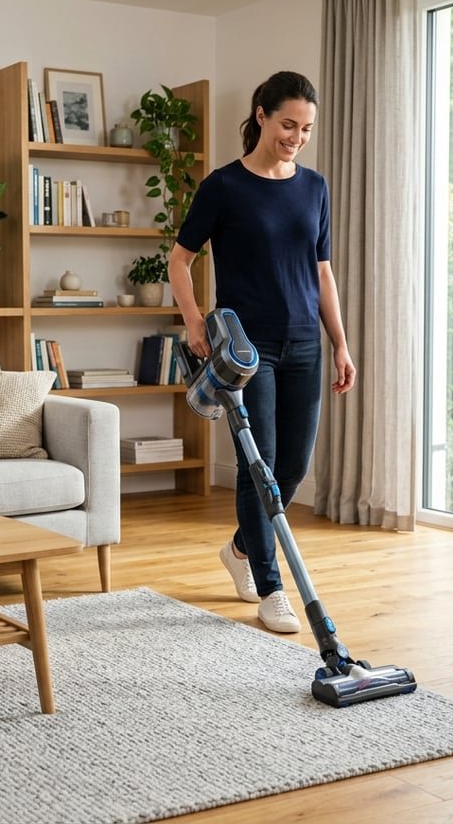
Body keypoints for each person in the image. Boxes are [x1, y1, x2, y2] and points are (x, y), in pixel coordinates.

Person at [168, 71, 355, 634]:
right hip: (247, 349)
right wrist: (195, 321)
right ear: (260, 116)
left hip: (305, 343)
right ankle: (272, 588)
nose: (296, 137)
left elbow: (322, 272)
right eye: (287, 124)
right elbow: (180, 260)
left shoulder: (314, 188)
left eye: (306, 128)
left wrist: (341, 343)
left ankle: (241, 548)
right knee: (259, 466)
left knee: (293, 466)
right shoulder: (224, 186)